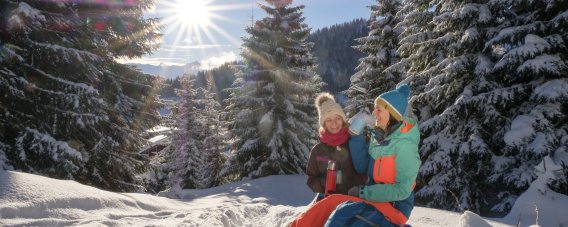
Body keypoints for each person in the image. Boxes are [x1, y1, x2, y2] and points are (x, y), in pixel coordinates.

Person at [290, 84, 420, 227]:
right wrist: (356, 137)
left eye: (379, 109)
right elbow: (362, 166)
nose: (374, 113)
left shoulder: (405, 146)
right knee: (329, 205)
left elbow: (402, 190)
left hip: (395, 207)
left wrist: (363, 192)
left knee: (337, 207)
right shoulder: (380, 138)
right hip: (374, 200)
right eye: (374, 108)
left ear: (393, 114)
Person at [306, 93, 367, 202]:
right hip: (326, 200)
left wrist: (352, 185)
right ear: (323, 124)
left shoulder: (353, 143)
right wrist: (327, 182)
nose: (334, 123)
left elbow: (364, 173)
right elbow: (311, 181)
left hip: (351, 200)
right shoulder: (317, 150)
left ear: (343, 120)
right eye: (328, 120)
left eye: (337, 118)